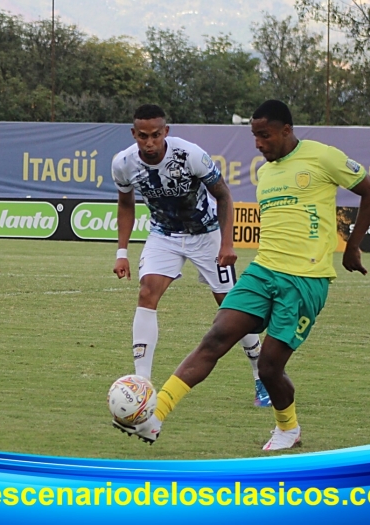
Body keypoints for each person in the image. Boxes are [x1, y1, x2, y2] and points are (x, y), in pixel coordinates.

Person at [113, 100, 370, 450]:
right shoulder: (266, 173)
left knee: (270, 367)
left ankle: (288, 429)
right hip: (262, 272)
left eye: (264, 136)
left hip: (304, 280)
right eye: (254, 136)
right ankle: (154, 417)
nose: (258, 144)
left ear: (286, 131)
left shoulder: (322, 156)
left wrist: (352, 246)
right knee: (215, 338)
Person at [111, 104, 271, 407]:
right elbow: (126, 204)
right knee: (147, 292)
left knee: (232, 307)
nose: (149, 142)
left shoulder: (190, 155)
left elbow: (223, 195)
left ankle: (261, 377)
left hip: (206, 235)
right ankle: (143, 386)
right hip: (163, 235)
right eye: (143, 136)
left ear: (166, 132)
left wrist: (227, 244)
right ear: (133, 134)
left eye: (155, 135)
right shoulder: (123, 163)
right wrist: (122, 252)